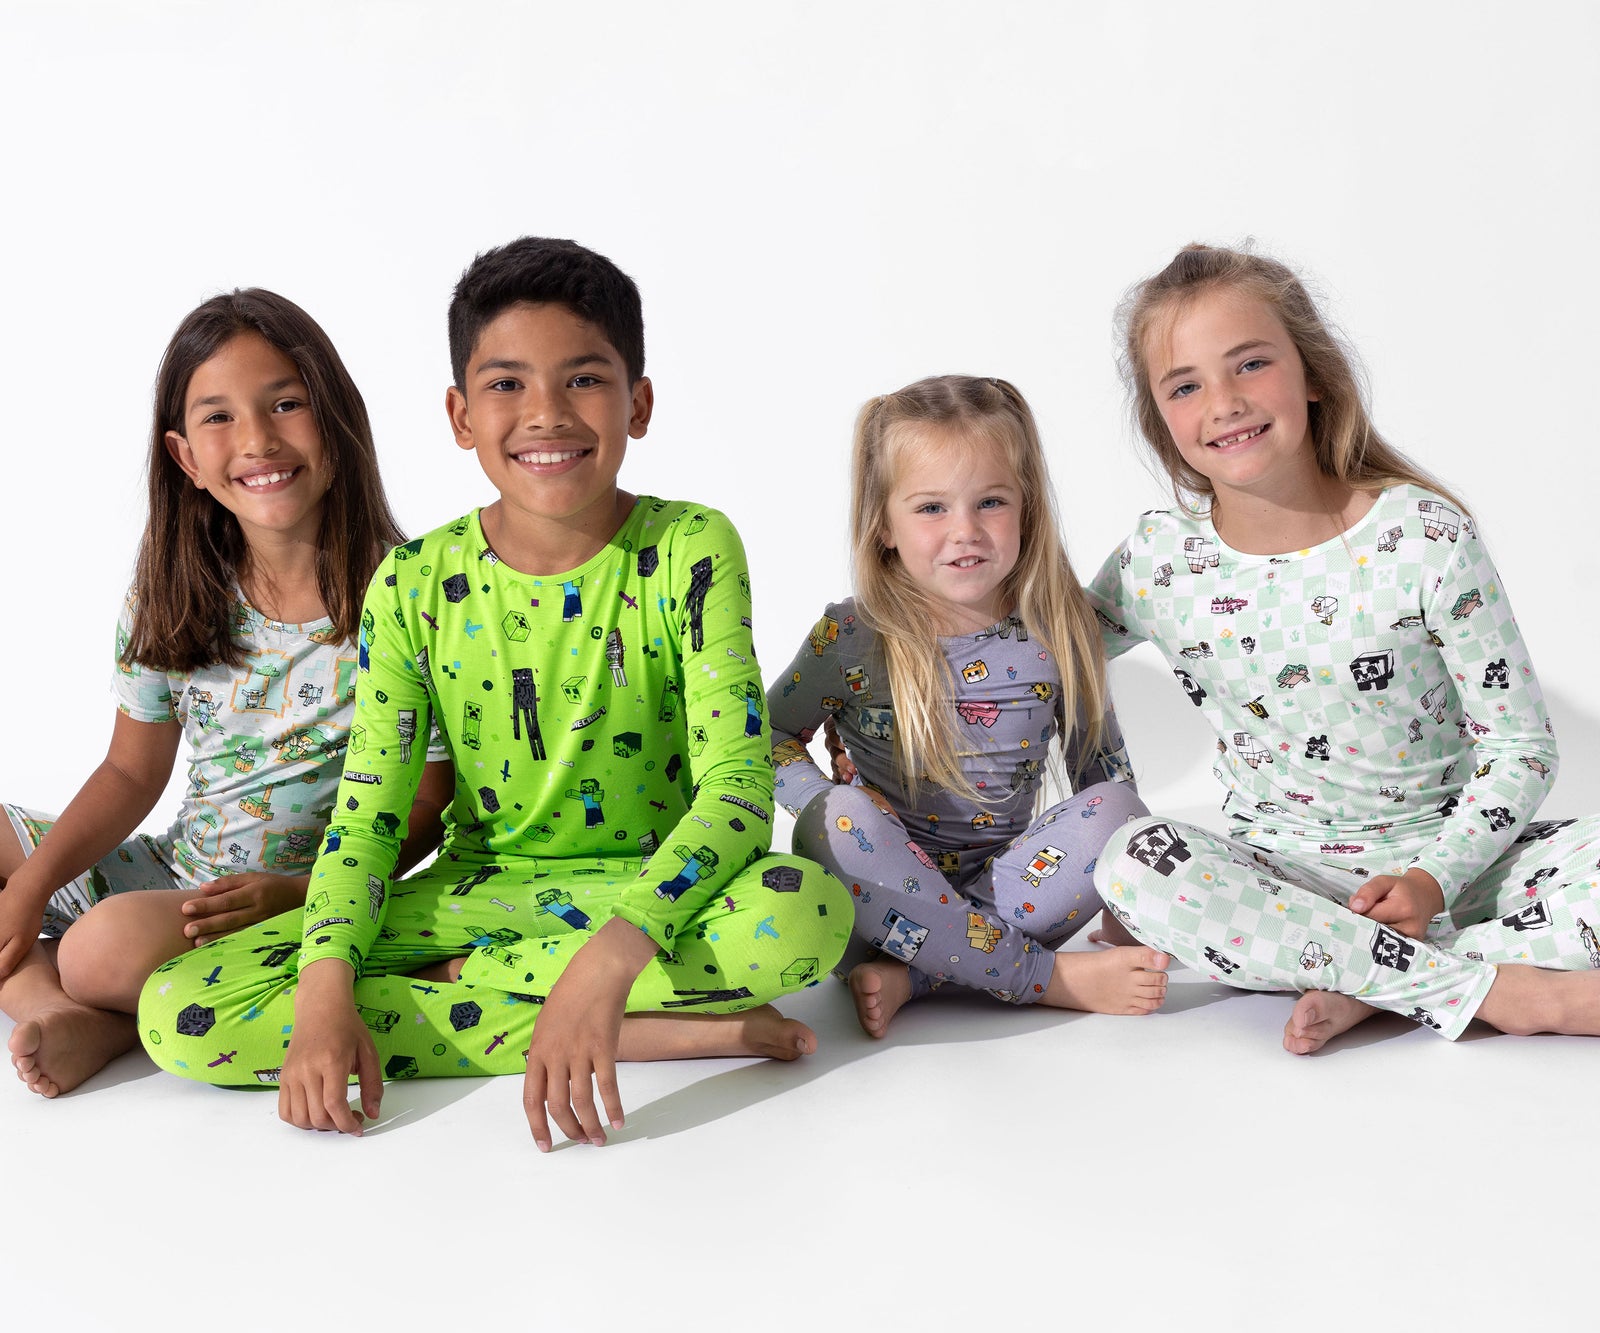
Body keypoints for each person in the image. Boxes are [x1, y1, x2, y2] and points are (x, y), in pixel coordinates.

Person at [137, 236, 852, 1146]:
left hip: (656, 889)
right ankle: (647, 1030)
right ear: (461, 414)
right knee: (178, 1011)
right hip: (474, 895)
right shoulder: (411, 584)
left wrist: (608, 958)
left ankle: (516, 995)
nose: (546, 415)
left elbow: (739, 793)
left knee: (806, 914)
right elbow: (367, 821)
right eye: (508, 384)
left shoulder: (691, 548)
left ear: (637, 404)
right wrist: (323, 990)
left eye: (583, 380)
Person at [1090, 243, 1600, 1053]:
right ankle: (1494, 991)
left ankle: (1372, 981)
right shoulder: (1159, 561)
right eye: (1185, 386)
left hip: (1460, 870)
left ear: (1313, 374)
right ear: (1162, 421)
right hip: (1283, 887)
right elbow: (1041, 665)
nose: (1224, 402)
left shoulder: (1424, 536)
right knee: (1133, 863)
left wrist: (1433, 879)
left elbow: (1521, 749)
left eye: (1250, 364)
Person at [2, 289, 451, 1097]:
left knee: (96, 952)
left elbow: (428, 800)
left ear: (338, 420)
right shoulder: (176, 590)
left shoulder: (410, 595)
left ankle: (95, 1006)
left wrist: (303, 894)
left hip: (298, 901)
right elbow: (130, 773)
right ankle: (62, 1013)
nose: (258, 440)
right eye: (219, 417)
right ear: (186, 459)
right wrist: (29, 890)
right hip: (181, 873)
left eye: (286, 403)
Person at [767, 376, 1170, 1037]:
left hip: (1006, 891)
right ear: (882, 524)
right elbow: (770, 733)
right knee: (836, 819)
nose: (966, 531)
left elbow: (1100, 769)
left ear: (1027, 508)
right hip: (877, 901)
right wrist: (823, 799)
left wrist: (1127, 896)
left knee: (1121, 809)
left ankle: (921, 977)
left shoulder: (1056, 627)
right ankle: (1043, 980)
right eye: (931, 508)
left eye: (990, 502)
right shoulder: (852, 635)